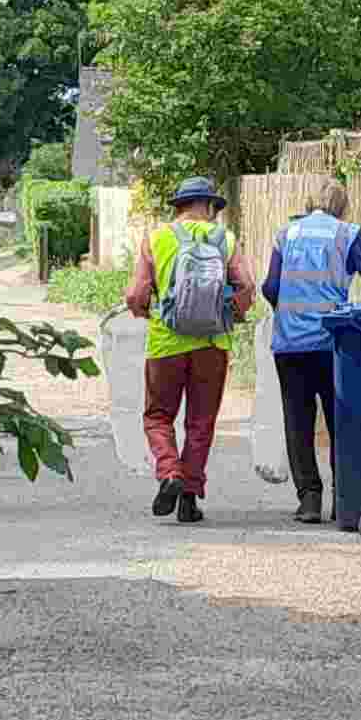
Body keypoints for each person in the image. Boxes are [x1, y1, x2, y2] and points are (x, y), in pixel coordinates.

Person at [123, 175, 253, 525]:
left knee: (158, 416)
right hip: (212, 343)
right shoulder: (224, 239)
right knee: (201, 422)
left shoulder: (156, 238)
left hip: (166, 343)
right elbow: (246, 288)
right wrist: (233, 314)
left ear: (179, 205)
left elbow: (136, 295)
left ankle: (169, 473)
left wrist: (142, 310)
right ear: (208, 205)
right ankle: (190, 499)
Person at [264, 179, 361, 525]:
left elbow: (270, 286)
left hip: (290, 344)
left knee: (298, 421)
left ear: (308, 204)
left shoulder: (285, 234)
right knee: (340, 422)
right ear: (342, 207)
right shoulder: (348, 234)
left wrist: (288, 311)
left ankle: (309, 500)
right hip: (334, 343)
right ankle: (344, 499)